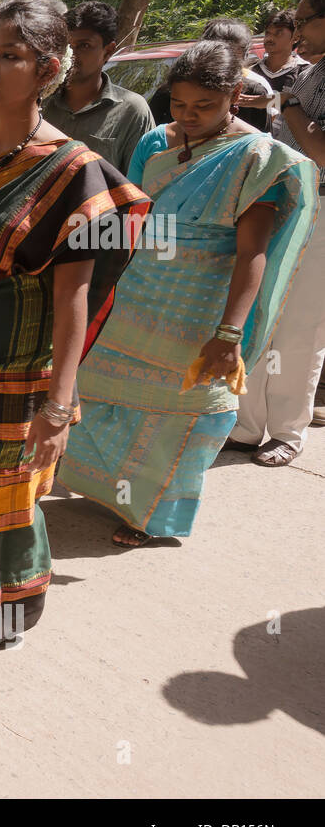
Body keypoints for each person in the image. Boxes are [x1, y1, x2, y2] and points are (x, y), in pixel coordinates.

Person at [0, 0, 149, 659]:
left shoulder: (77, 173)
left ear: (47, 68)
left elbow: (74, 295)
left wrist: (60, 400)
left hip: (15, 363)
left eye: (8, 55)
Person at [61, 41, 317, 544]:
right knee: (104, 391)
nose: (189, 116)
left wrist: (229, 332)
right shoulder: (155, 143)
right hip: (139, 291)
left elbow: (252, 254)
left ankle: (153, 517)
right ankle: (116, 490)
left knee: (181, 413)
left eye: (205, 106)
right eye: (180, 104)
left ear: (235, 96)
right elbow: (132, 219)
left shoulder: (257, 158)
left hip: (201, 302)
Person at [228, 0, 325, 462]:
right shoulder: (310, 74)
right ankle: (246, 425)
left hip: (320, 210)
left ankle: (288, 431)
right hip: (283, 201)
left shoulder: (304, 84)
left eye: (305, 18)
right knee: (263, 310)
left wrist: (288, 107)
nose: (297, 27)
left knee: (302, 325)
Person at [43, 1, 155, 174]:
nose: (71, 54)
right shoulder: (39, 101)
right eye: (67, 46)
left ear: (108, 51)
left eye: (84, 46)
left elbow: (139, 184)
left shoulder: (131, 111)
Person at [251, 8, 309, 134]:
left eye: (278, 33)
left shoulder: (306, 74)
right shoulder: (251, 73)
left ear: (295, 37)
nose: (269, 38)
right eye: (268, 33)